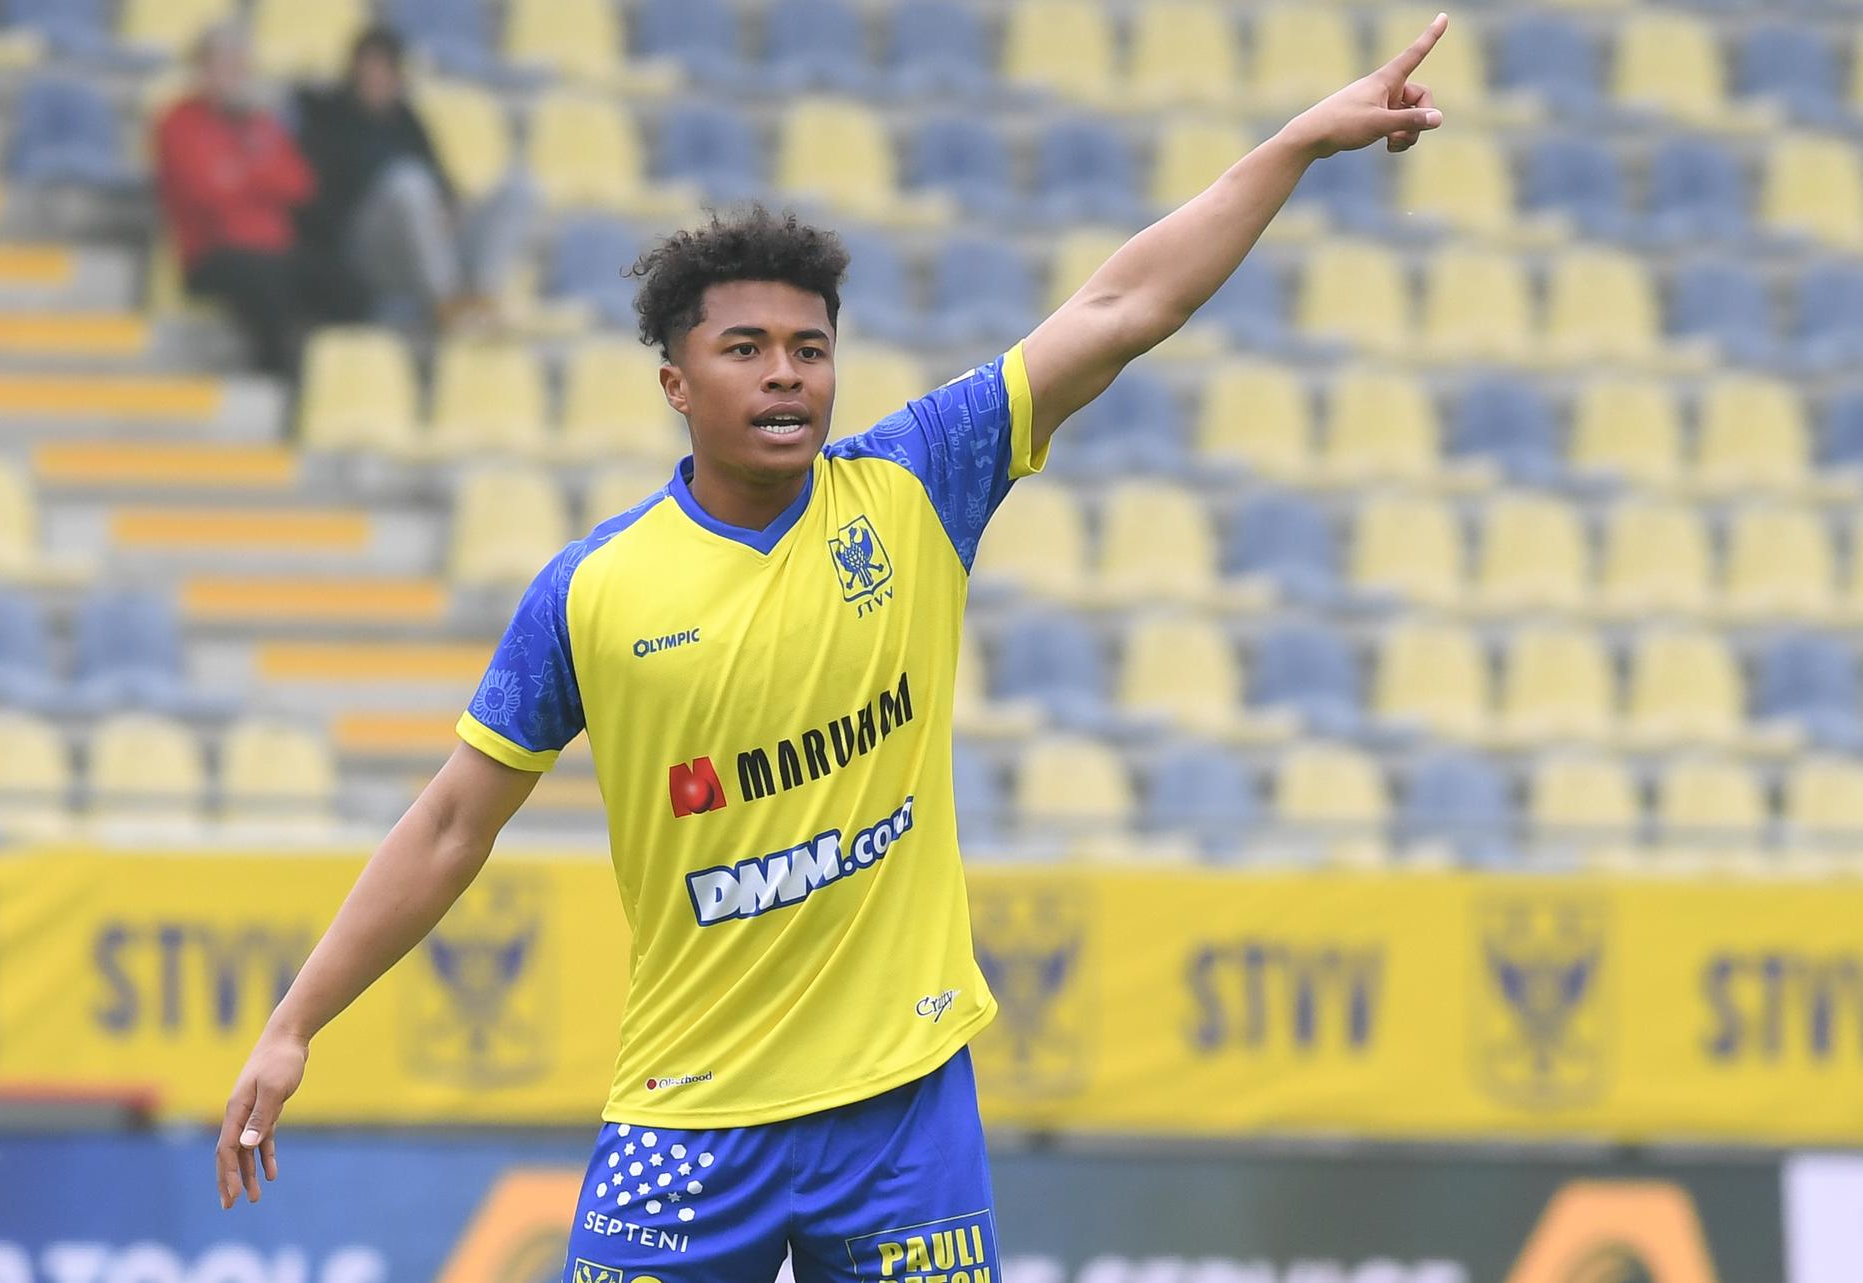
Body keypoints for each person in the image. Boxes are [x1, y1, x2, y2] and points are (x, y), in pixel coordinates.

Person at [214, 15, 1449, 1277]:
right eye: (744, 349)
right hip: (689, 1112)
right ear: (675, 383)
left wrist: (1294, 145)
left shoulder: (919, 482)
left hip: (901, 1102)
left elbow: (1127, 303)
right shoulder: (592, 591)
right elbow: (448, 827)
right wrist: (296, 1020)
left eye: (810, 348)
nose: (787, 376)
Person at [294, 26, 533, 334]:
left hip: (427, 241)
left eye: (386, 69)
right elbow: (322, 200)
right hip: (368, 249)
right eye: (370, 69)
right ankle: (444, 300)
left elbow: (441, 181)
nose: (377, 79)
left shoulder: (407, 119)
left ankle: (480, 296)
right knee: (407, 183)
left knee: (520, 189)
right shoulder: (329, 118)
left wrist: (450, 207)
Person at [154, 25, 319, 378]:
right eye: (225, 65)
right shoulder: (178, 122)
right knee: (265, 282)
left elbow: (300, 185)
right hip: (214, 252)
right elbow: (205, 192)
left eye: (241, 66)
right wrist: (259, 172)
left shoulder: (261, 122)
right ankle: (278, 379)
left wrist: (241, 171)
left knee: (342, 282)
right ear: (202, 68)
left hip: (275, 250)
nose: (235, 75)